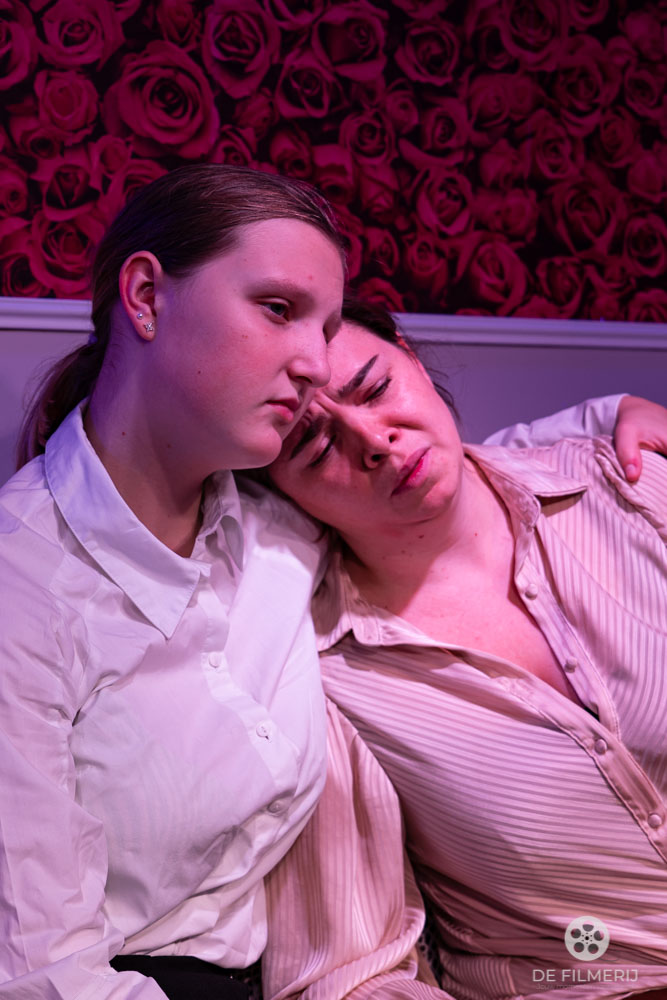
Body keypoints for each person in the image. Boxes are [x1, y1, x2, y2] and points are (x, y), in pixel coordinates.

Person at [0, 164, 346, 1000]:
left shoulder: (287, 534)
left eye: (328, 329)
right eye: (278, 309)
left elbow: (440, 484)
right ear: (147, 297)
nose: (317, 365)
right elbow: (44, 973)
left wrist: (607, 422)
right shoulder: (23, 585)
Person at [262, 296, 667, 1000]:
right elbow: (350, 977)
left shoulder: (629, 488)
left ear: (410, 356)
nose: (374, 440)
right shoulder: (324, 679)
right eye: (315, 449)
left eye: (375, 389)